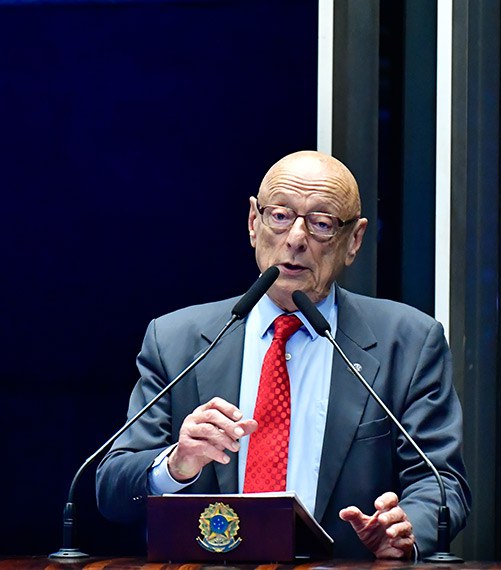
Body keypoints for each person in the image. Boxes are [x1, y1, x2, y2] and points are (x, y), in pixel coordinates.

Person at [95, 150, 471, 559]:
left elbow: (441, 483)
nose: (295, 239)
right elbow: (112, 487)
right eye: (279, 216)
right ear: (253, 223)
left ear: (354, 240)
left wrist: (404, 528)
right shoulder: (176, 340)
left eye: (322, 224)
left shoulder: (409, 342)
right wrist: (176, 464)